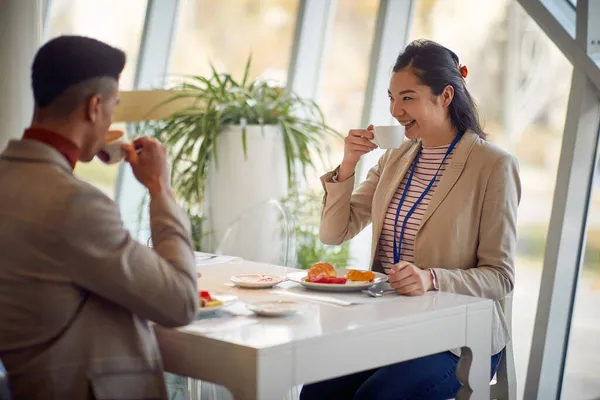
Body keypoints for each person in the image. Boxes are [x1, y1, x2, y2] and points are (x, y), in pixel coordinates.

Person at [300, 39, 521, 399]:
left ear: (445, 96)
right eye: (391, 98)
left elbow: (500, 277)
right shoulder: (395, 158)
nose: (395, 110)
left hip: (458, 336)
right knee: (317, 391)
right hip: (390, 322)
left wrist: (431, 278)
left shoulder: (493, 166)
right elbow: (334, 233)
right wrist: (348, 165)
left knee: (377, 396)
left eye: (407, 98)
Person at [0, 35, 198, 400]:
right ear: (94, 107)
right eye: (113, 106)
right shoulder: (74, 204)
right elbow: (182, 301)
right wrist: (160, 189)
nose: (111, 118)